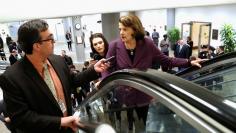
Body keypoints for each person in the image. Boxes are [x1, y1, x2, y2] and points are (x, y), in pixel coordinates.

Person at [0, 19, 109, 133]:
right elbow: (21, 118)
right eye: (50, 39)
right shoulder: (11, 77)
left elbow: (72, 80)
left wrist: (93, 70)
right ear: (37, 45)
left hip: (69, 128)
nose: (54, 41)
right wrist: (59, 121)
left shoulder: (57, 60)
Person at [102, 14, 204, 131]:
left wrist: (188, 62)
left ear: (134, 29)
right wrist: (105, 84)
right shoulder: (114, 46)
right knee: (127, 125)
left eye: (125, 29)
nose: (121, 33)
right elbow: (106, 67)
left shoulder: (147, 44)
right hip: (123, 96)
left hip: (143, 95)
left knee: (142, 125)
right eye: (120, 29)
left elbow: (166, 60)